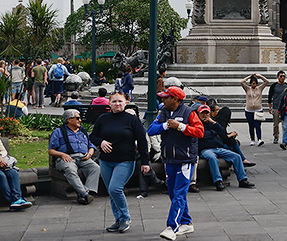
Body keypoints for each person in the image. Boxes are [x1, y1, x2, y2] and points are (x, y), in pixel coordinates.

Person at [147, 86, 204, 241]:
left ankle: (172, 227)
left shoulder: (189, 112)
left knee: (179, 193)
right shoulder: (163, 112)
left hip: (185, 159)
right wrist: (165, 125)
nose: (163, 99)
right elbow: (151, 129)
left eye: (166, 97)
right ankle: (186, 222)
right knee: (173, 193)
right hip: (169, 159)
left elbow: (199, 132)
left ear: (175, 99)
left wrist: (180, 127)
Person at [90, 92, 149, 233]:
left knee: (115, 188)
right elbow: (93, 136)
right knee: (112, 191)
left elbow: (142, 141)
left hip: (125, 160)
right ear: (109, 103)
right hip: (106, 161)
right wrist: (101, 142)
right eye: (114, 101)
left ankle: (125, 217)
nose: (117, 104)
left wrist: (145, 162)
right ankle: (118, 219)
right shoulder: (103, 119)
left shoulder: (132, 120)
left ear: (126, 103)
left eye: (120, 101)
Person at [48, 108, 101, 204]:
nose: (80, 120)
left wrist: (90, 153)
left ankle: (83, 194)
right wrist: (62, 154)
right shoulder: (58, 132)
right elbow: (51, 150)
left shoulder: (83, 132)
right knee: (70, 170)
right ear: (69, 119)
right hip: (67, 158)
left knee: (95, 168)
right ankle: (85, 194)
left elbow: (91, 146)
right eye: (77, 118)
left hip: (83, 157)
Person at [196, 104, 255, 191]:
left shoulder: (213, 123)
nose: (205, 115)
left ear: (210, 114)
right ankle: (218, 181)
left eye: (207, 113)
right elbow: (202, 135)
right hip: (206, 149)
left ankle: (243, 179)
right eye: (202, 113)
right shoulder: (197, 124)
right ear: (199, 114)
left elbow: (222, 133)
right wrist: (214, 133)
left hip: (218, 148)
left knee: (237, 156)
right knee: (212, 158)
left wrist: (213, 123)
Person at [240, 73, 269, 145]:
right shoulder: (247, 89)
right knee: (251, 125)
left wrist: (259, 76)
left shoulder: (259, 88)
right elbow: (242, 82)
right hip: (249, 110)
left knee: (258, 125)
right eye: (253, 83)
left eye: (255, 83)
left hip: (258, 109)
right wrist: (249, 76)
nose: (254, 85)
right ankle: (252, 139)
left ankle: (259, 139)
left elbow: (266, 81)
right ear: (250, 83)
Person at [267, 71, 287, 145]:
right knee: (276, 124)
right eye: (281, 76)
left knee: (285, 124)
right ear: (277, 77)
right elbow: (270, 96)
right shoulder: (274, 86)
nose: (282, 78)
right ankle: (276, 136)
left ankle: (286, 137)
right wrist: (270, 107)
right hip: (276, 107)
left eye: (284, 76)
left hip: (285, 108)